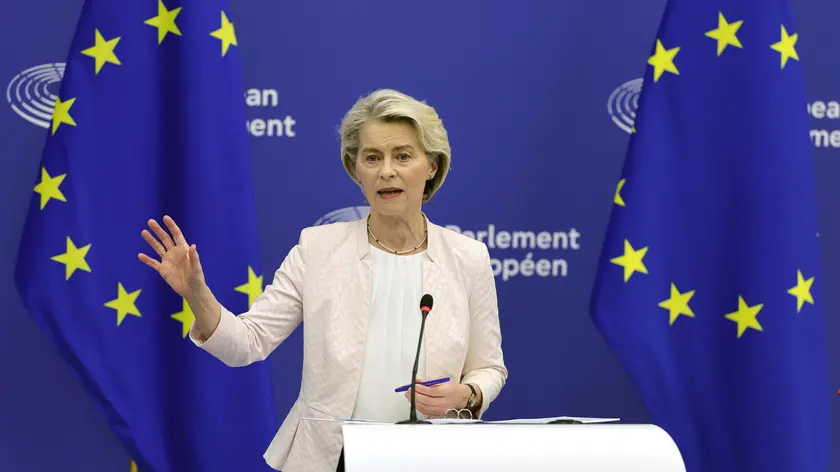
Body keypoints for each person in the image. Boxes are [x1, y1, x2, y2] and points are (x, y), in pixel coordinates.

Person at [138, 89, 508, 472]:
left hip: (433, 457)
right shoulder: (318, 249)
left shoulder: (467, 257)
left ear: (432, 165)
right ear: (355, 170)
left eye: (403, 156)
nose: (386, 171)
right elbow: (246, 343)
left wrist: (469, 393)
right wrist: (197, 294)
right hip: (331, 458)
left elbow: (490, 368)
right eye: (372, 158)